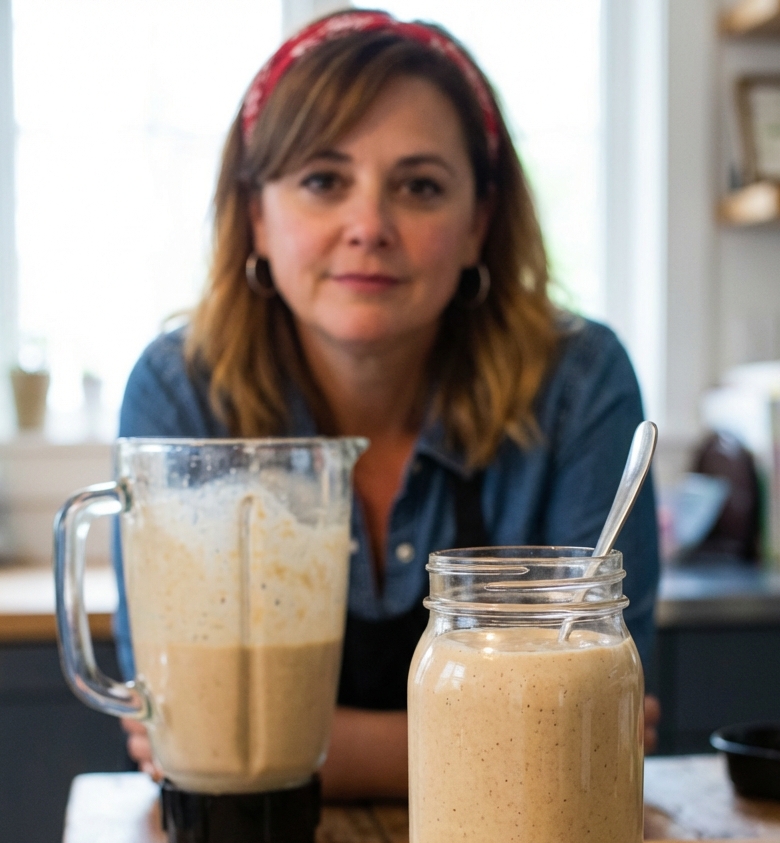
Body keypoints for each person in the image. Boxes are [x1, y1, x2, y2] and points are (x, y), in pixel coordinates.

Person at [116, 9, 661, 798]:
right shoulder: (181, 393)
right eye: (322, 181)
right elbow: (180, 728)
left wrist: (270, 740)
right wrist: (515, 734)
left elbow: (600, 733)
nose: (369, 226)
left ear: (479, 222)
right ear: (257, 217)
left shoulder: (578, 382)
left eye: (420, 186)